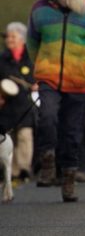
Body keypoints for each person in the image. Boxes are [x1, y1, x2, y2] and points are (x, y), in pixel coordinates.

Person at [27, 0, 85, 202]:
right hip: (49, 77)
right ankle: (48, 160)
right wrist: (42, 66)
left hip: (81, 80)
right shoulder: (39, 10)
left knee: (73, 132)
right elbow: (32, 43)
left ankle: (69, 179)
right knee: (48, 117)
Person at [0, 23, 36, 183]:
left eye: (13, 36)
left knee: (25, 136)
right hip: (6, 105)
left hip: (25, 104)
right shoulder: (2, 58)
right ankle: (10, 170)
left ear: (22, 39)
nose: (9, 39)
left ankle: (23, 168)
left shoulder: (31, 58)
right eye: (8, 36)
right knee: (9, 137)